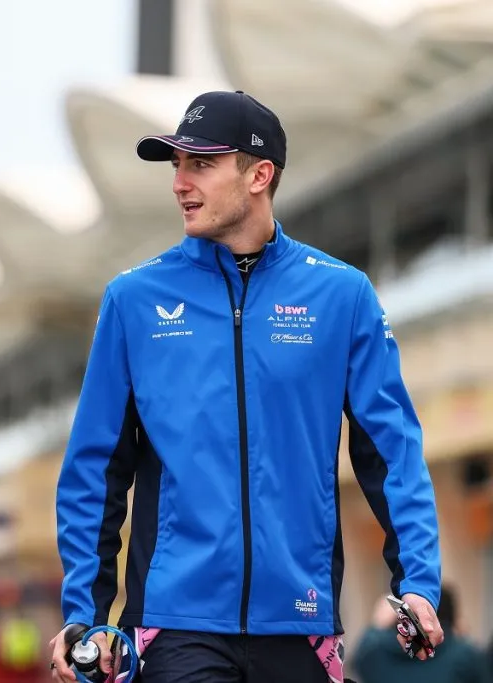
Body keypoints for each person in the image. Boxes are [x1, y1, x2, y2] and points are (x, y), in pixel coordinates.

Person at [49, 90, 443, 682]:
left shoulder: (343, 296)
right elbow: (94, 469)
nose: (180, 181)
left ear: (260, 174)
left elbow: (393, 454)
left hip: (301, 624)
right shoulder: (132, 300)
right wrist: (85, 612)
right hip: (173, 628)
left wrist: (418, 583)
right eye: (176, 165)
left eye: (200, 164)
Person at [352, 584, 490, 683]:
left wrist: (377, 626)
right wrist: (462, 636)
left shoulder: (376, 655)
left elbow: (359, 659)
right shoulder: (465, 656)